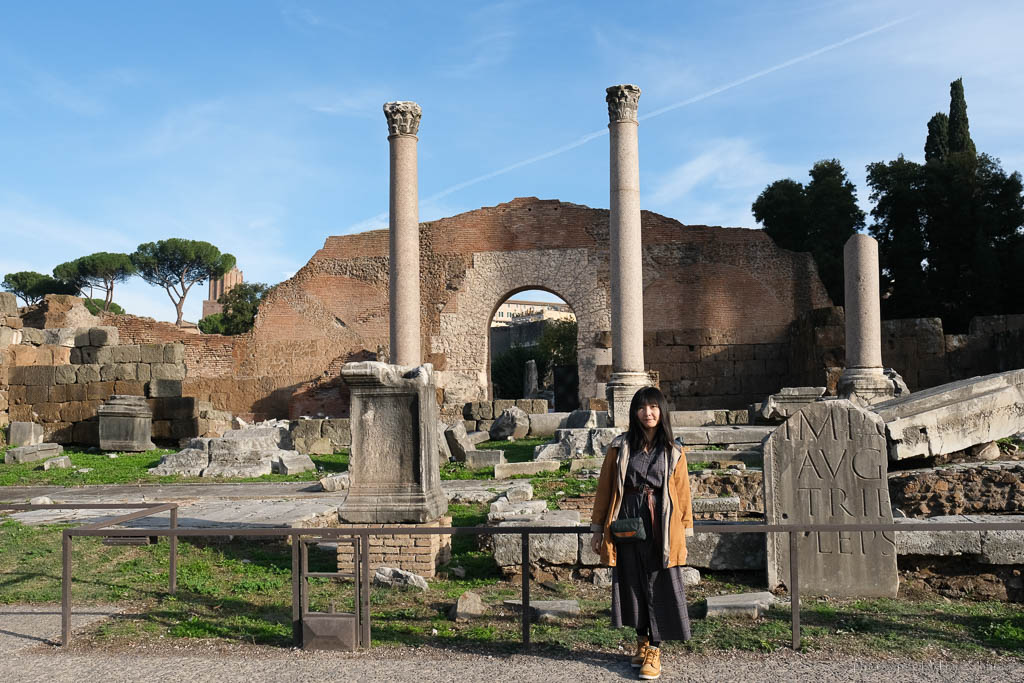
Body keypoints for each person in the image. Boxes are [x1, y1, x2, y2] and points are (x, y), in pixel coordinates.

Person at [590, 386, 694, 680]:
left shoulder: (674, 451)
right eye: (641, 407)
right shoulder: (619, 447)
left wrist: (683, 532)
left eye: (653, 407)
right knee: (632, 581)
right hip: (626, 522)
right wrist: (598, 529)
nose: (647, 413)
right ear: (634, 412)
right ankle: (641, 640)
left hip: (661, 523)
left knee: (660, 583)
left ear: (662, 411)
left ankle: (655, 650)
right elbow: (605, 490)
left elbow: (683, 494)